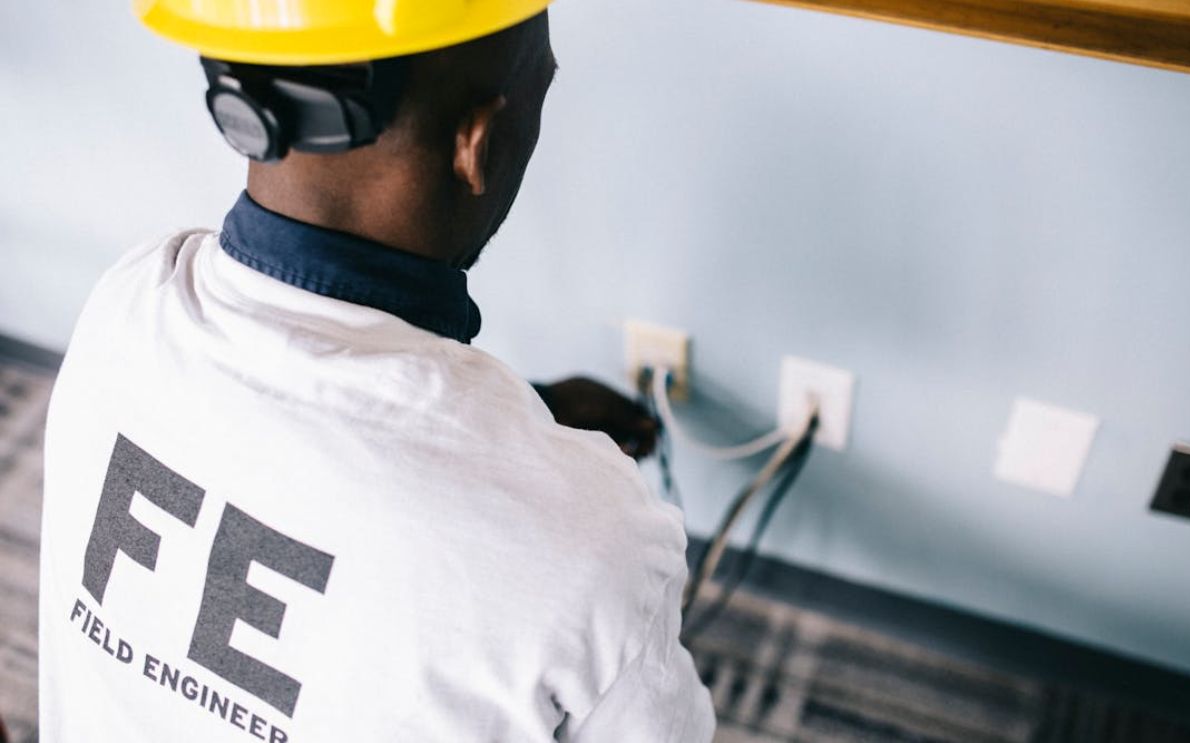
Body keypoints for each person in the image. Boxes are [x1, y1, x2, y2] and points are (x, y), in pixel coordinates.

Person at [38, 2, 716, 741]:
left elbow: (284, 452)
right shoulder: (596, 542)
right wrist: (552, 482)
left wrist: (533, 422)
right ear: (477, 145)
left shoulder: (129, 303)